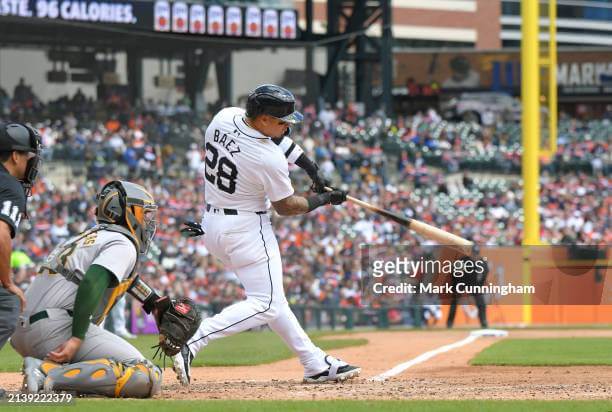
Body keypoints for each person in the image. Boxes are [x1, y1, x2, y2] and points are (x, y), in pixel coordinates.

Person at [175, 84, 360, 385]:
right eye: (282, 121)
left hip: (213, 225)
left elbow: (281, 142)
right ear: (262, 119)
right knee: (268, 302)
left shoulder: (225, 116)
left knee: (273, 298)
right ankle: (194, 340)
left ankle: (314, 363)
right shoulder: (266, 157)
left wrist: (313, 171)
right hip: (247, 229)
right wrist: (325, 199)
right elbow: (287, 206)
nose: (288, 126)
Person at [14, 181, 165, 398]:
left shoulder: (85, 237)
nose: (149, 221)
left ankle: (49, 375)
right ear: (126, 212)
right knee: (146, 375)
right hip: (56, 328)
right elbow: (92, 282)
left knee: (102, 370)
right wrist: (77, 338)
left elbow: (124, 281)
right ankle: (46, 374)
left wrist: (155, 301)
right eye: (145, 213)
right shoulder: (122, 242)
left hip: (26, 329)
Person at [0, 122, 42, 398]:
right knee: (7, 301)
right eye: (29, 155)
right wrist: (8, 281)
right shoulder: (10, 186)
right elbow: (0, 232)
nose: (31, 162)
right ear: (15, 155)